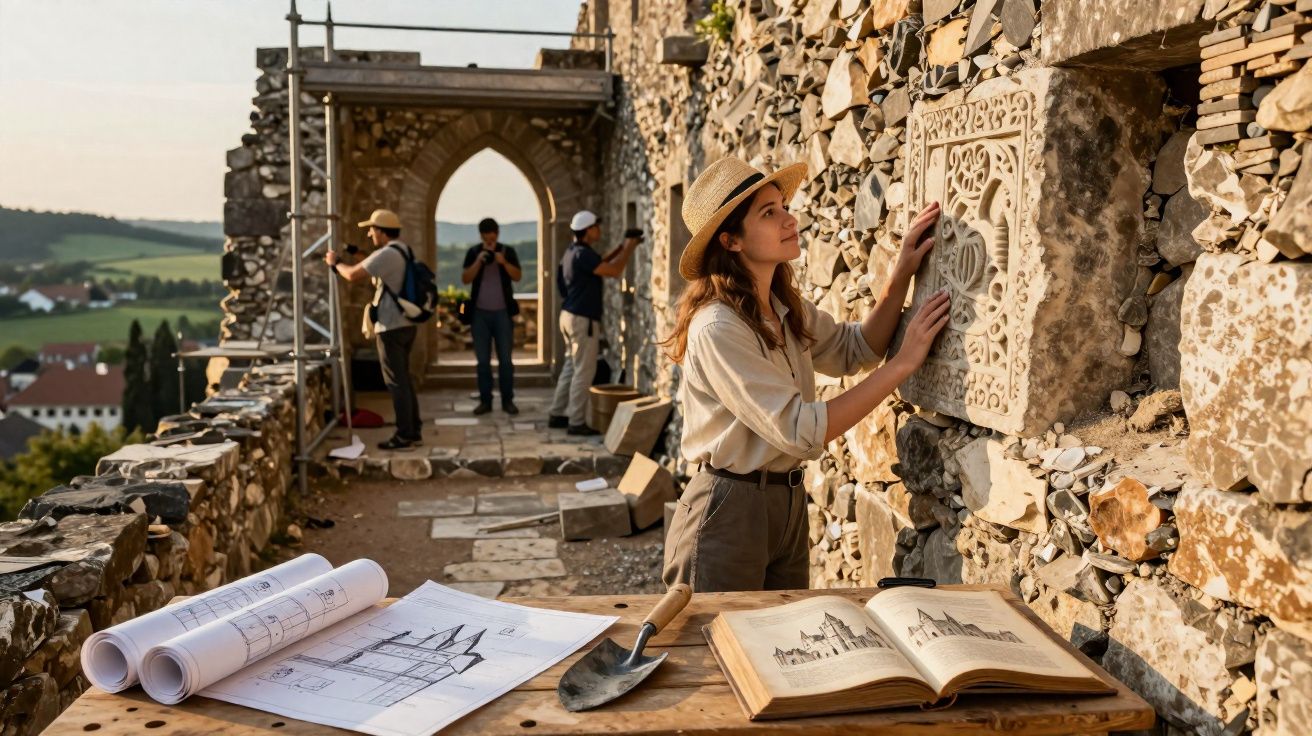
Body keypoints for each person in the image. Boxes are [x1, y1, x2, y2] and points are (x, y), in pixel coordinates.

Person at [659, 157, 951, 593]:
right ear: (731, 241)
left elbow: (857, 349)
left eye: (783, 206)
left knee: (781, 632)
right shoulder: (718, 328)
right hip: (728, 511)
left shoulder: (781, 307)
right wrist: (903, 364)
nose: (789, 219)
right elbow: (799, 429)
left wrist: (902, 274)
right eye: (768, 213)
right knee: (715, 635)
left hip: (788, 502)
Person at [325, 208, 423, 450]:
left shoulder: (387, 254)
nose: (369, 234)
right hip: (405, 324)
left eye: (372, 230)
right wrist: (358, 254)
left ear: (381, 231)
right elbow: (376, 267)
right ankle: (413, 431)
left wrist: (336, 263)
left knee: (396, 382)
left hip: (391, 326)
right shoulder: (402, 250)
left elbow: (352, 275)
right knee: (404, 379)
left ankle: (404, 435)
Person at [547, 210, 641, 436]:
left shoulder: (572, 253)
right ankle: (576, 422)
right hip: (583, 320)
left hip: (568, 315)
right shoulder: (583, 255)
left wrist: (621, 247)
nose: (599, 230)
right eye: (596, 227)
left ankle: (557, 413)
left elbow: (600, 263)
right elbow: (614, 270)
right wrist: (630, 247)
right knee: (584, 371)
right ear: (588, 230)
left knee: (571, 367)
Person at [460, 217, 522, 415]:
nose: (490, 243)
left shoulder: (507, 252)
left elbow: (517, 276)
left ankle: (507, 400)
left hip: (503, 313)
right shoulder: (473, 252)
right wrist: (479, 260)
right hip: (479, 315)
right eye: (486, 240)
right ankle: (485, 401)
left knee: (506, 360)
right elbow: (465, 278)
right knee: (483, 361)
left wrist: (503, 262)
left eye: (492, 239)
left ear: (497, 235)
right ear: (481, 237)